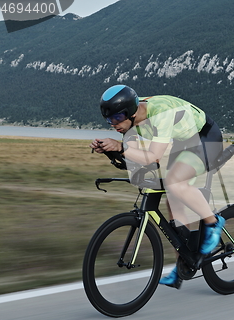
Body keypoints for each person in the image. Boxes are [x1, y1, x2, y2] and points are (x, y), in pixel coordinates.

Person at [90, 84, 225, 289]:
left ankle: (214, 222)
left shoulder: (160, 113)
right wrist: (110, 150)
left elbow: (152, 157)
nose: (113, 125)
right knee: (172, 200)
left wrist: (120, 147)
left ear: (130, 113)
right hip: (182, 143)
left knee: (174, 181)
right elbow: (133, 156)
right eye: (109, 120)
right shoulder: (130, 122)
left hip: (205, 138)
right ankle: (184, 264)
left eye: (116, 118)